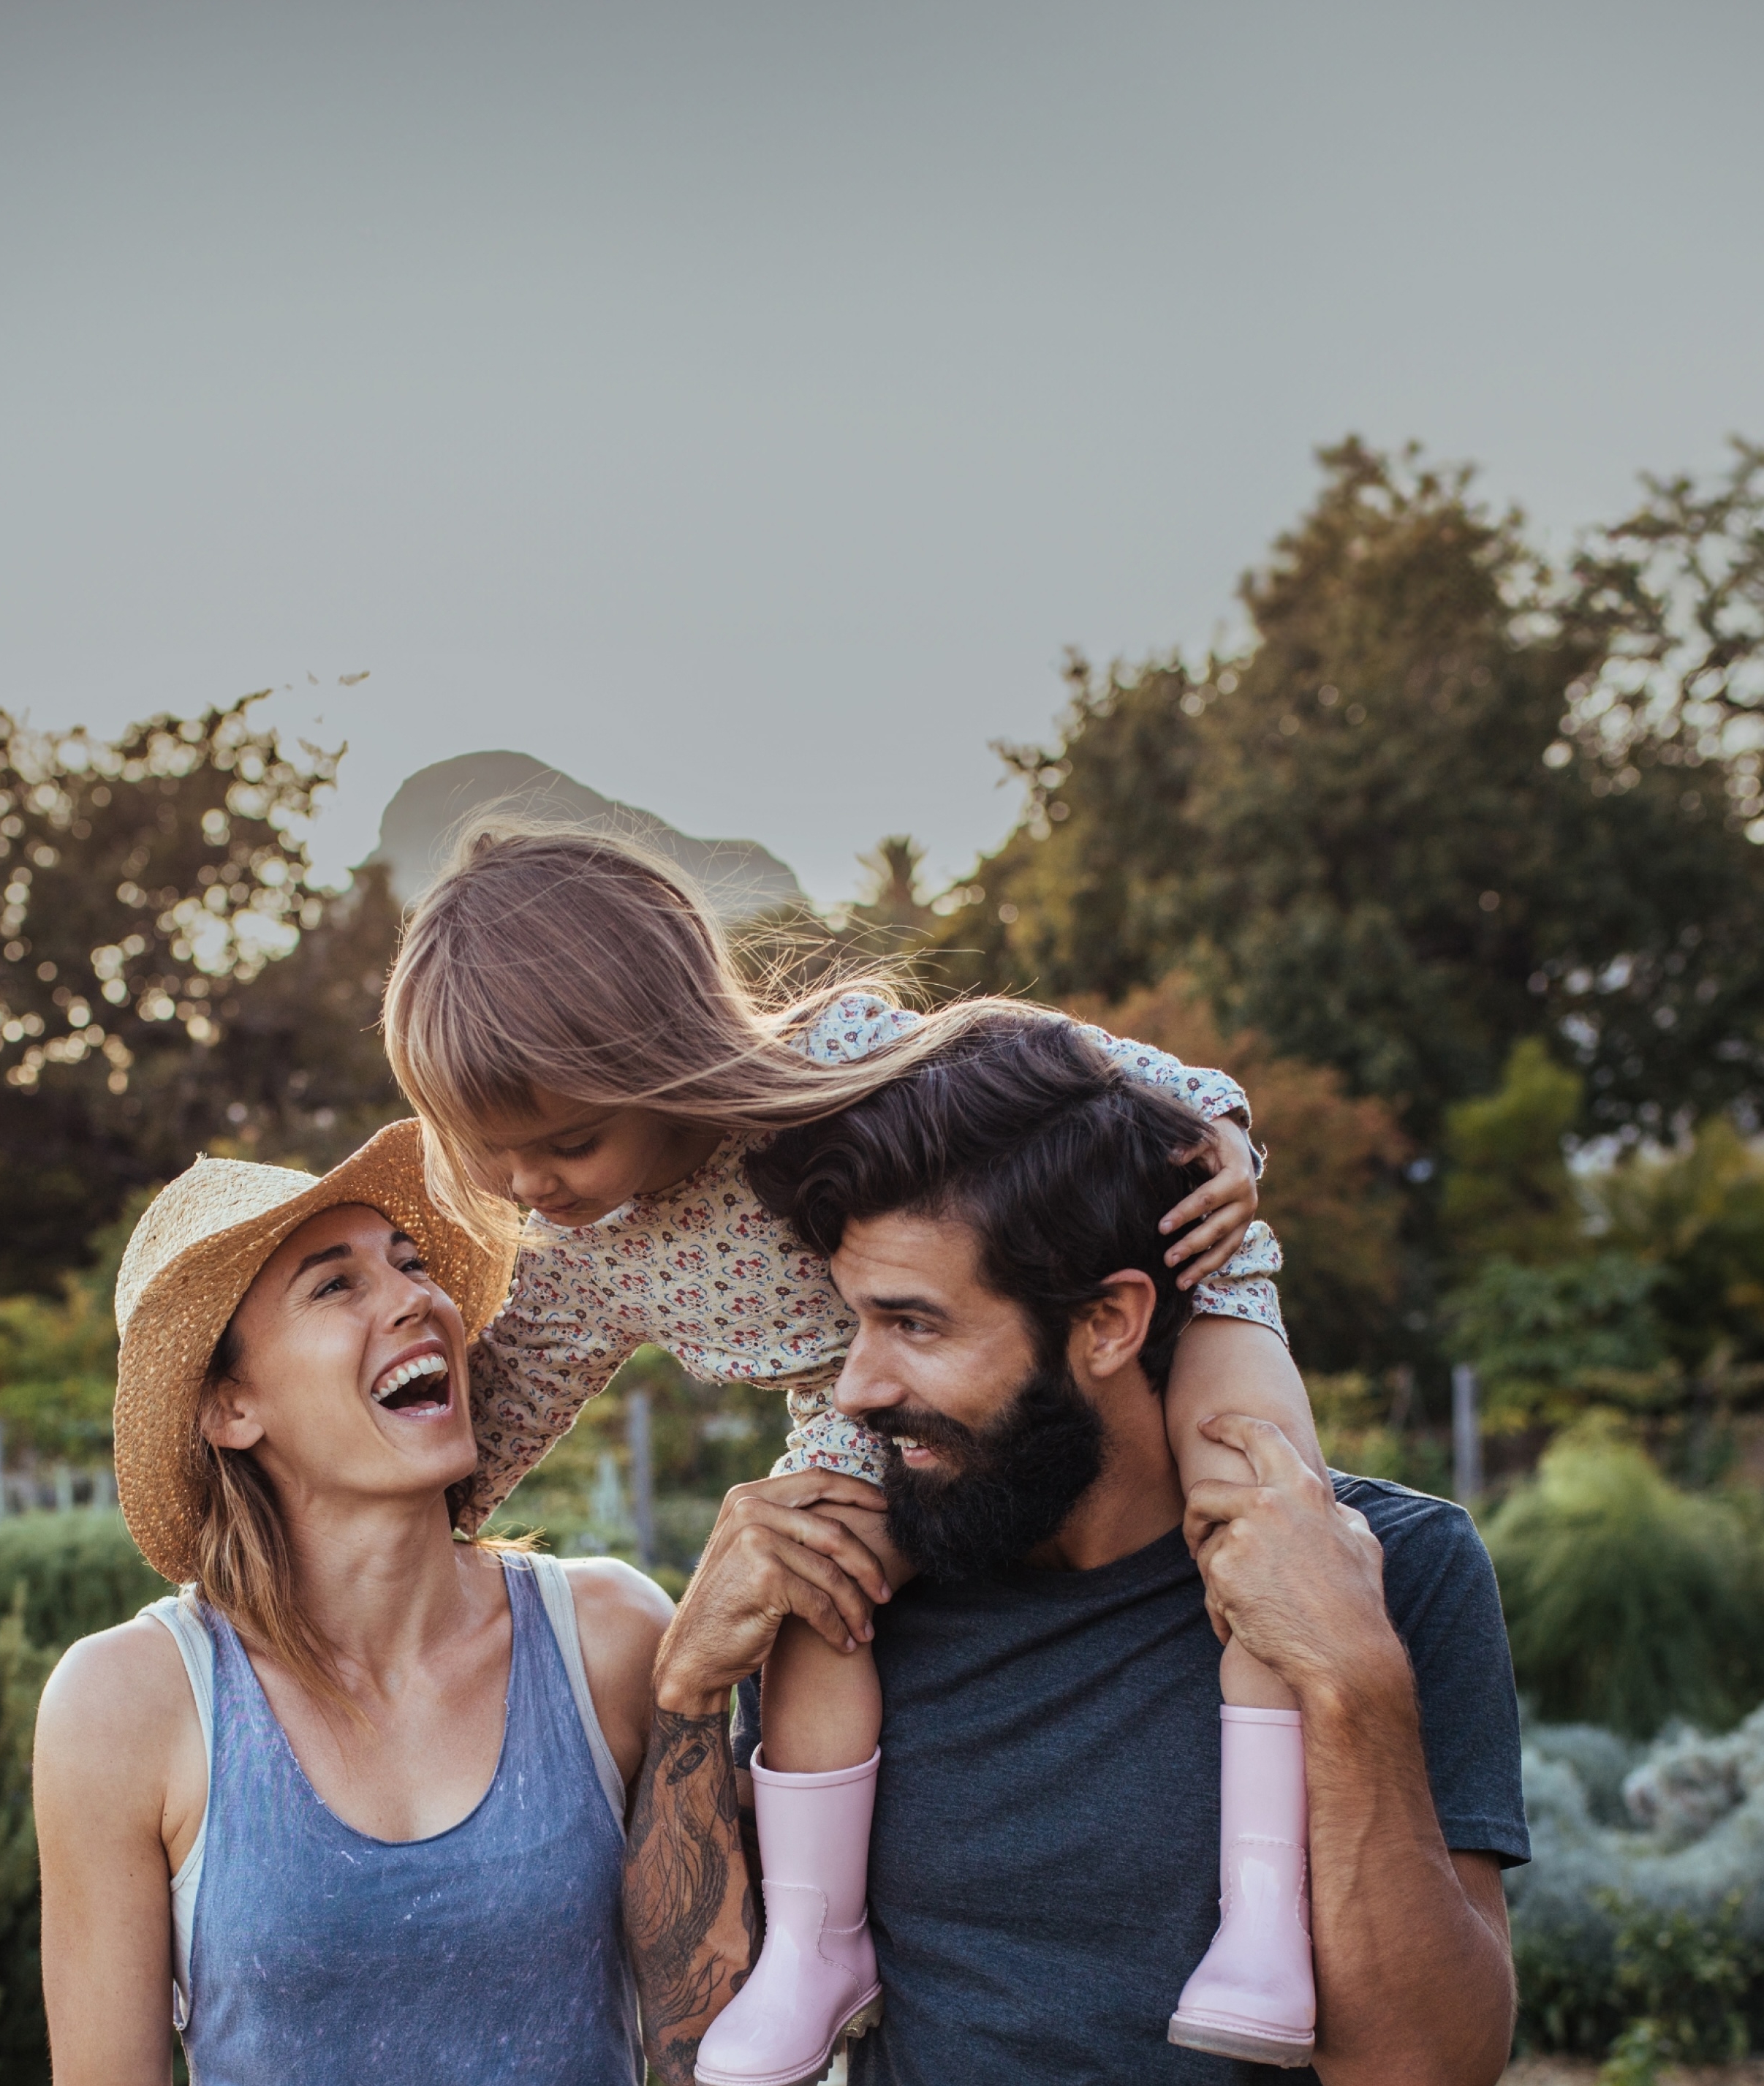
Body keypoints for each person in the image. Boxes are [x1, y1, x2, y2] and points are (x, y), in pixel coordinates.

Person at [382, 825, 1332, 2080]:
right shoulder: (588, 1255)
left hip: (1181, 1285)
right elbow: (496, 1420)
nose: (528, 1185)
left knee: (1258, 1518)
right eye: (488, 1150)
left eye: (567, 1141)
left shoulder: (840, 1063)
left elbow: (1124, 1078)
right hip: (881, 1419)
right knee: (814, 1586)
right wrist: (356, 1524)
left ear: (668, 1056)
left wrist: (1225, 1151)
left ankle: (1265, 1914)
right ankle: (820, 1944)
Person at [625, 1012, 1528, 2086]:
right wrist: (686, 1687)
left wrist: (1355, 1673)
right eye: (855, 1322)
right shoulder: (845, 1588)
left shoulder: (1400, 1564)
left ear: (1107, 1323)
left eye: (915, 1325)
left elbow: (1427, 2069)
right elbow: (697, 2046)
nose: (856, 1388)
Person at [34, 1120, 673, 2086]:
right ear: (231, 1408)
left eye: (412, 1265)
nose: (418, 1299)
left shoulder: (610, 1638)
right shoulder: (126, 1705)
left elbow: (724, 2031)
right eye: (336, 1286)